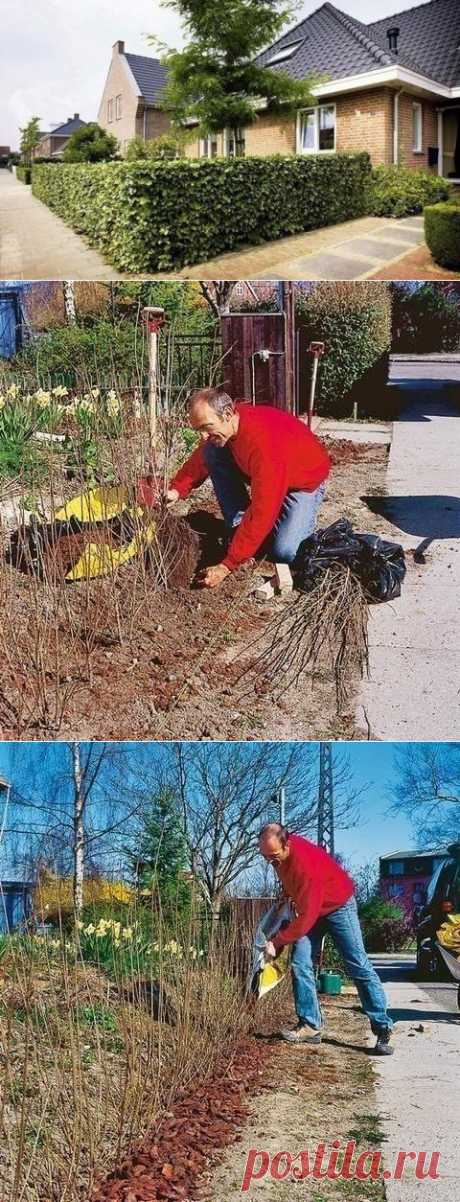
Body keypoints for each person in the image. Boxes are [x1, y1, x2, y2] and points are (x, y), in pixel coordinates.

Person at [166, 387, 331, 588]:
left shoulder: (264, 445)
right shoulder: (227, 428)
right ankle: (240, 528)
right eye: (198, 430)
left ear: (227, 414)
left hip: (303, 483)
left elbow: (263, 510)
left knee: (284, 551)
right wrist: (176, 489)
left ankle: (269, 530)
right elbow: (201, 458)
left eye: (206, 427)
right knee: (211, 451)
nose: (203, 436)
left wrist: (228, 565)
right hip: (269, 473)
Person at [258, 824, 394, 1056]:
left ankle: (382, 1027)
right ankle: (310, 1025)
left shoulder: (306, 865)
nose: (270, 861)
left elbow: (308, 918)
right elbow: (294, 886)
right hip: (311, 907)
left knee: (357, 965)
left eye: (273, 856)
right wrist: (287, 896)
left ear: (287, 844)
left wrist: (277, 941)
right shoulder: (279, 856)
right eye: (265, 856)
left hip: (338, 905)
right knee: (301, 963)